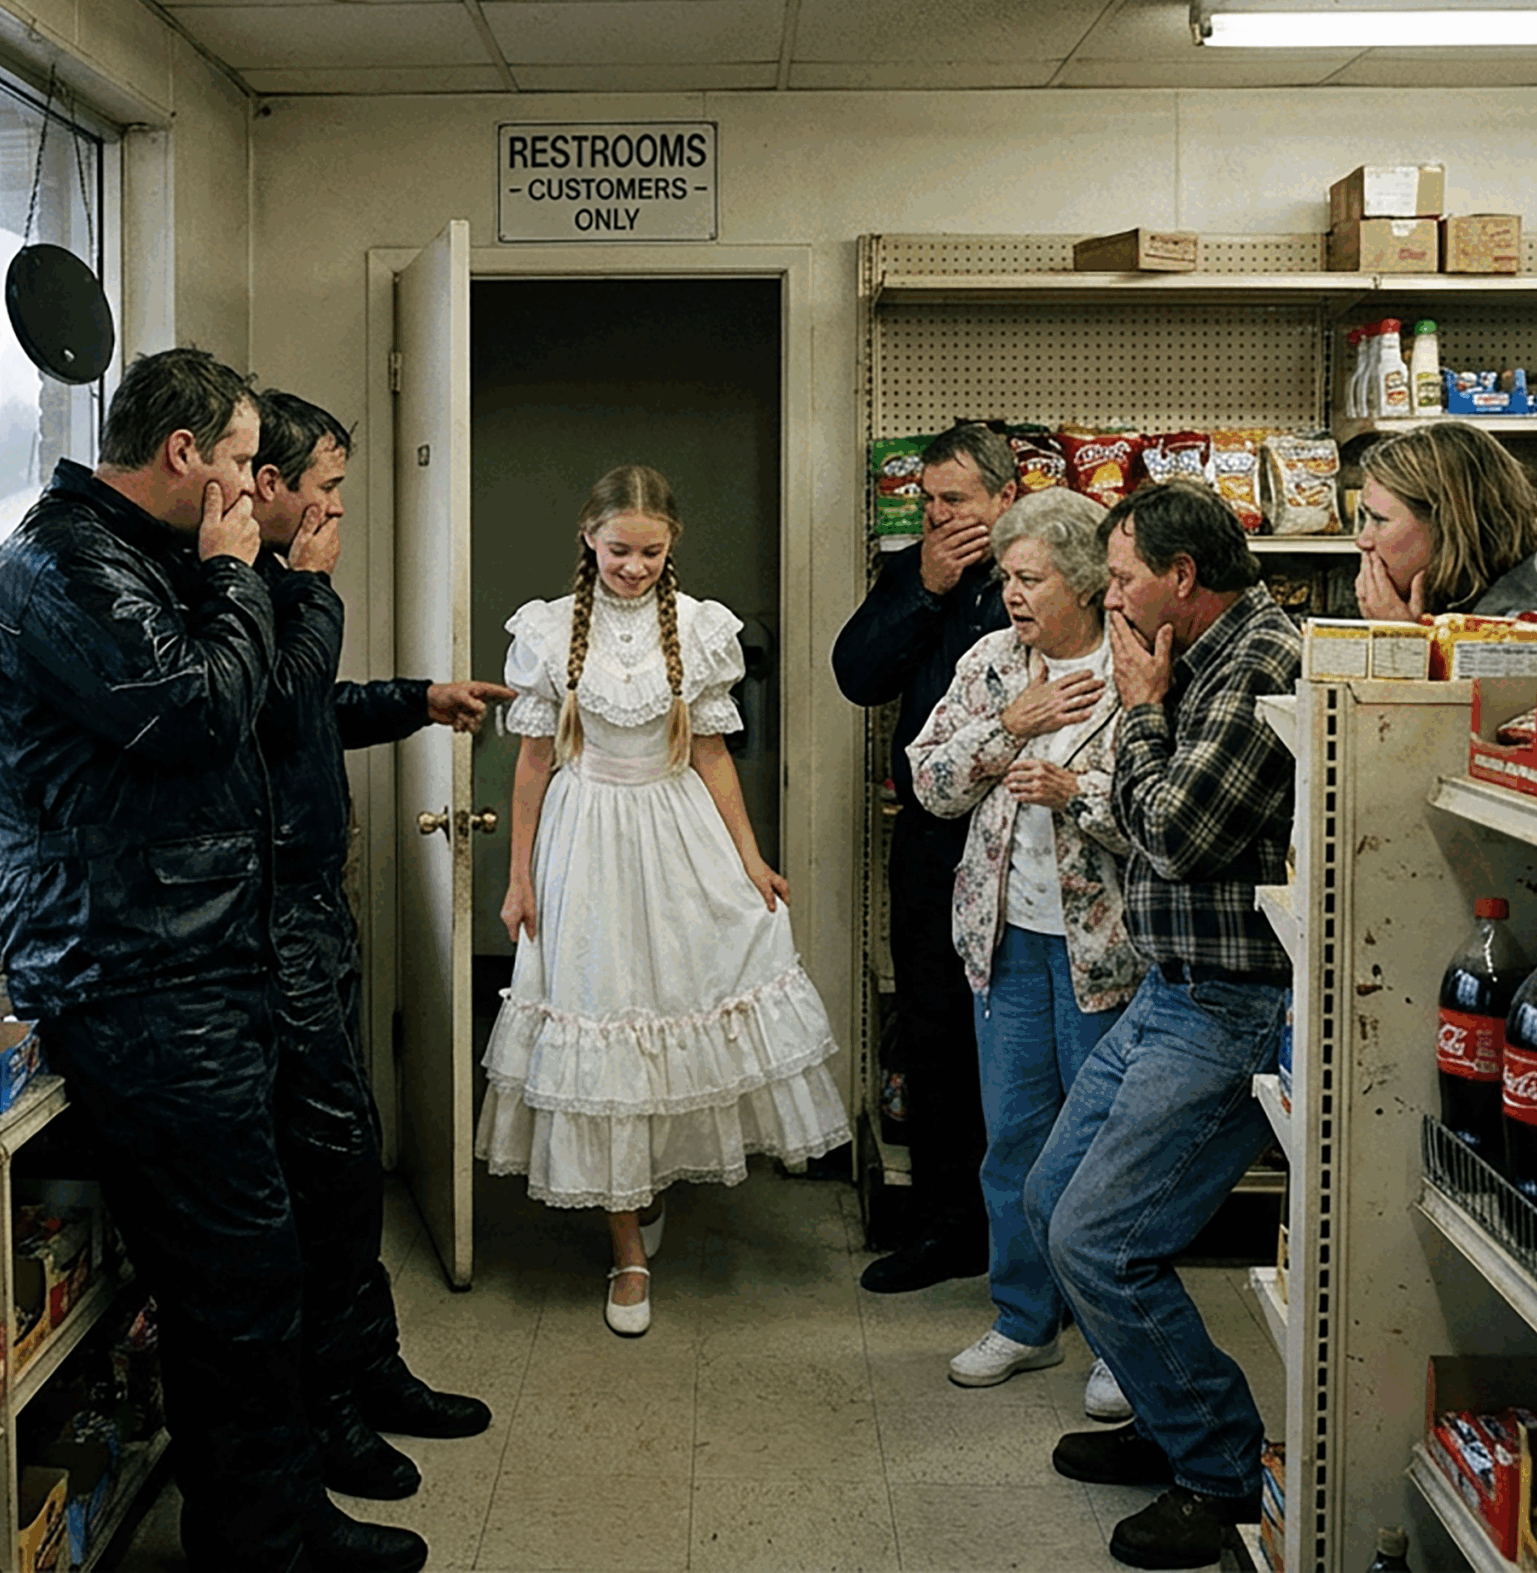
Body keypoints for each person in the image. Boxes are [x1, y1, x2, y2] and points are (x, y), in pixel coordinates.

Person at [0, 348, 424, 1573]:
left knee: (253, 1259)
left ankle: (269, 1513)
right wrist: (239, 576)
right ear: (182, 455)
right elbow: (200, 711)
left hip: (200, 959)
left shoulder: (135, 556)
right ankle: (260, 1540)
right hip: (137, 975)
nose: (245, 487)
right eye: (233, 463)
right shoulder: (64, 561)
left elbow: (259, 701)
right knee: (233, 1271)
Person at [475, 464, 850, 1337]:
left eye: (649, 551)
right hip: (586, 839)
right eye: (617, 550)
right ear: (588, 539)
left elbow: (714, 754)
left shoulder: (699, 629)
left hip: (677, 834)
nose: (633, 566)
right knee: (601, 1017)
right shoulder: (549, 628)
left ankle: (644, 1187)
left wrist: (752, 859)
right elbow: (532, 763)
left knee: (675, 1009)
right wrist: (518, 873)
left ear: (671, 545)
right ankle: (627, 1250)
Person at [245, 390, 512, 1499]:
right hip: (265, 923)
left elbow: (313, 708)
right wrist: (312, 590)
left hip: (314, 906)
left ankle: (371, 1370)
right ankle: (332, 1418)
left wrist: (418, 699)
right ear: (268, 486)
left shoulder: (261, 584)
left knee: (347, 1165)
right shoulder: (231, 585)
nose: (334, 508)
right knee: (327, 1171)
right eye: (325, 487)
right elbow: (279, 696)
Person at [1033, 478, 1301, 1572]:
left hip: (1230, 1006)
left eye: (1128, 573)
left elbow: (1175, 832)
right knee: (1054, 1200)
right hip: (1168, 987)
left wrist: (1143, 711)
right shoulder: (1196, 651)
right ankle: (1165, 1412)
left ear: (1181, 578)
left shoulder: (1255, 659)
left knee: (1103, 1239)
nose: (1113, 593)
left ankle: (1217, 1470)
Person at [906, 489, 1144, 1421]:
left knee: (1104, 1157)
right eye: (1005, 575)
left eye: (1028, 576)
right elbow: (928, 781)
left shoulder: (1138, 668)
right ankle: (1024, 1319)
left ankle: (1120, 1343)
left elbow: (1167, 820)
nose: (1009, 592)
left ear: (1085, 582)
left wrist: (1075, 788)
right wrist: (1013, 722)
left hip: (1110, 954)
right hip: (1001, 944)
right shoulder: (994, 663)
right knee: (1011, 1142)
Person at [831, 421, 1019, 1292]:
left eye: (957, 501)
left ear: (1004, 499)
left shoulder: (1046, 571)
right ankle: (946, 1230)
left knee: (1021, 1045)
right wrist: (926, 590)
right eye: (928, 501)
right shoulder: (912, 571)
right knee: (935, 1035)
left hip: (1025, 839)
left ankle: (1027, 1242)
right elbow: (856, 672)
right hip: (932, 841)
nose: (939, 516)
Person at [1351, 417, 1537, 619]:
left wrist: (1400, 643)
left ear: (1448, 525)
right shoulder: (1461, 592)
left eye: (1379, 520)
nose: (1363, 540)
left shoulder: (1529, 622)